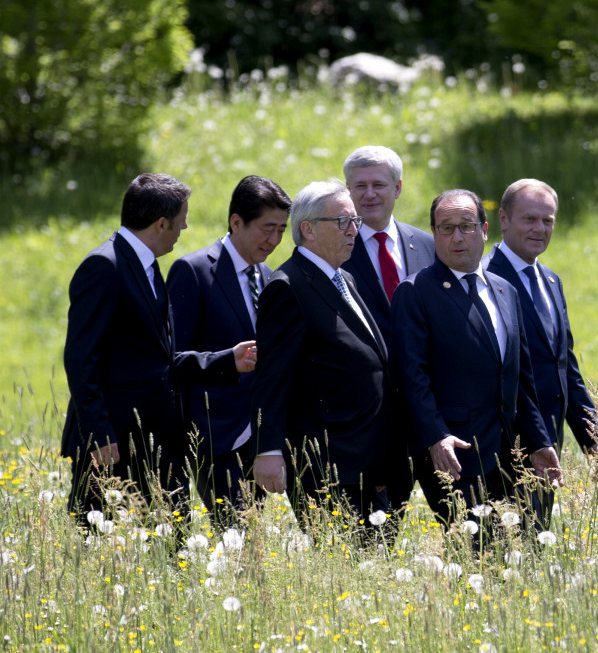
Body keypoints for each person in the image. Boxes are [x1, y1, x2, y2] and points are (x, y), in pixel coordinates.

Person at [61, 173, 255, 523]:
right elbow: (80, 358)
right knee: (106, 557)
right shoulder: (104, 267)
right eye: (181, 223)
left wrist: (227, 360)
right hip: (114, 447)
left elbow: (159, 360)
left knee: (172, 553)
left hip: (158, 444)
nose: (184, 229)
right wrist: (99, 435)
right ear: (161, 223)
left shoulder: (149, 266)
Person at [391, 188, 563, 532]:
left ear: (485, 230)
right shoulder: (415, 292)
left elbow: (521, 380)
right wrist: (436, 436)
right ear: (434, 234)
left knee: (523, 557)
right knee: (476, 556)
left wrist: (539, 440)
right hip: (455, 455)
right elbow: (412, 377)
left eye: (467, 226)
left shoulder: (504, 290)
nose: (457, 237)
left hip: (512, 455)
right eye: (446, 228)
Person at [250, 179, 390, 529]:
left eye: (356, 222)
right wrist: (267, 450)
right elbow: (272, 376)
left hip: (368, 460)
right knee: (344, 572)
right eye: (343, 222)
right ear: (308, 229)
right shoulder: (288, 286)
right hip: (327, 466)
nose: (354, 231)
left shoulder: (345, 279)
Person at [166, 175, 291, 527]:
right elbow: (171, 359)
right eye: (267, 228)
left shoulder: (268, 275)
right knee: (238, 538)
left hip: (263, 435)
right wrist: (227, 361)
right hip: (215, 434)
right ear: (236, 222)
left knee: (254, 541)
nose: (275, 240)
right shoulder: (193, 271)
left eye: (282, 229)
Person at [483, 179, 597, 524]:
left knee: (535, 546)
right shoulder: (485, 278)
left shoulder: (550, 280)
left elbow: (566, 369)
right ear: (503, 219)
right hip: (506, 446)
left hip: (550, 444)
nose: (540, 228)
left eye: (548, 220)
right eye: (529, 219)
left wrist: (595, 441)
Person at [340, 145, 436, 521]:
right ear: (346, 191)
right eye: (358, 186)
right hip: (366, 417)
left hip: (424, 414)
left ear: (397, 188)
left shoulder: (428, 245)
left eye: (378, 185)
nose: (368, 195)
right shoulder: (334, 249)